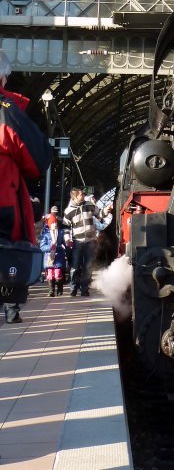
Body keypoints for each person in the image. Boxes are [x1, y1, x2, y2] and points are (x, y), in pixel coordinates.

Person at [0, 49, 52, 323]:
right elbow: (38, 157)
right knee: (8, 255)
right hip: (3, 204)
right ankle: (10, 308)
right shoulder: (5, 113)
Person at [63, 187, 111, 297]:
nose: (84, 196)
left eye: (84, 194)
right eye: (81, 195)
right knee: (75, 266)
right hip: (77, 241)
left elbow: (99, 215)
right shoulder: (69, 211)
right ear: (75, 197)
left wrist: (106, 210)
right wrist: (67, 238)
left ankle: (84, 289)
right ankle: (73, 288)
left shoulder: (89, 205)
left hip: (90, 241)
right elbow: (65, 226)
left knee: (88, 266)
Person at [39, 208, 68, 296]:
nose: (54, 224)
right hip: (49, 257)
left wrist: (66, 246)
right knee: (50, 275)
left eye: (55, 223)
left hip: (59, 256)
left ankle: (59, 288)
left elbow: (65, 244)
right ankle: (51, 291)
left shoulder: (61, 232)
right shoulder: (45, 234)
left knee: (58, 274)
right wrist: (50, 247)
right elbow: (42, 246)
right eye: (52, 223)